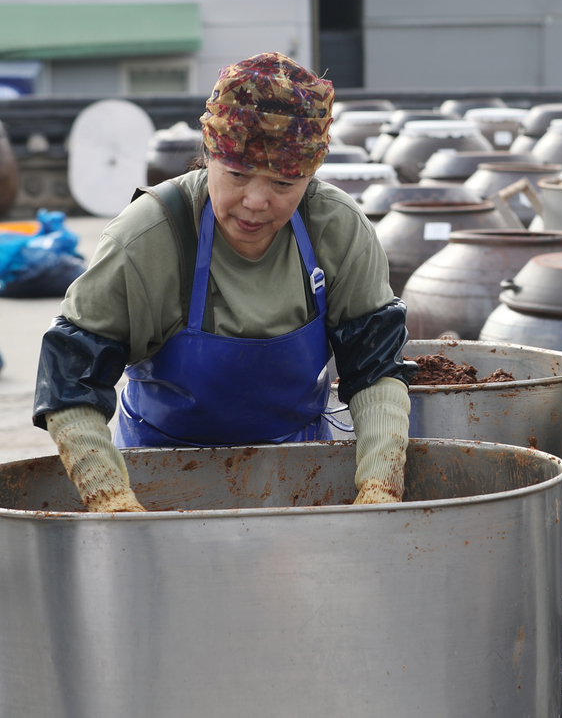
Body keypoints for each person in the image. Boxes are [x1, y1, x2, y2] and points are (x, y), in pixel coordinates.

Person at [32, 52, 415, 513]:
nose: (255, 202)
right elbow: (71, 378)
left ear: (310, 174)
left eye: (283, 183)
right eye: (236, 174)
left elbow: (376, 370)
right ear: (208, 154)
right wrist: (109, 497)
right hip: (160, 478)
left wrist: (380, 486)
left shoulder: (337, 229)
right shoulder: (150, 238)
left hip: (302, 476)